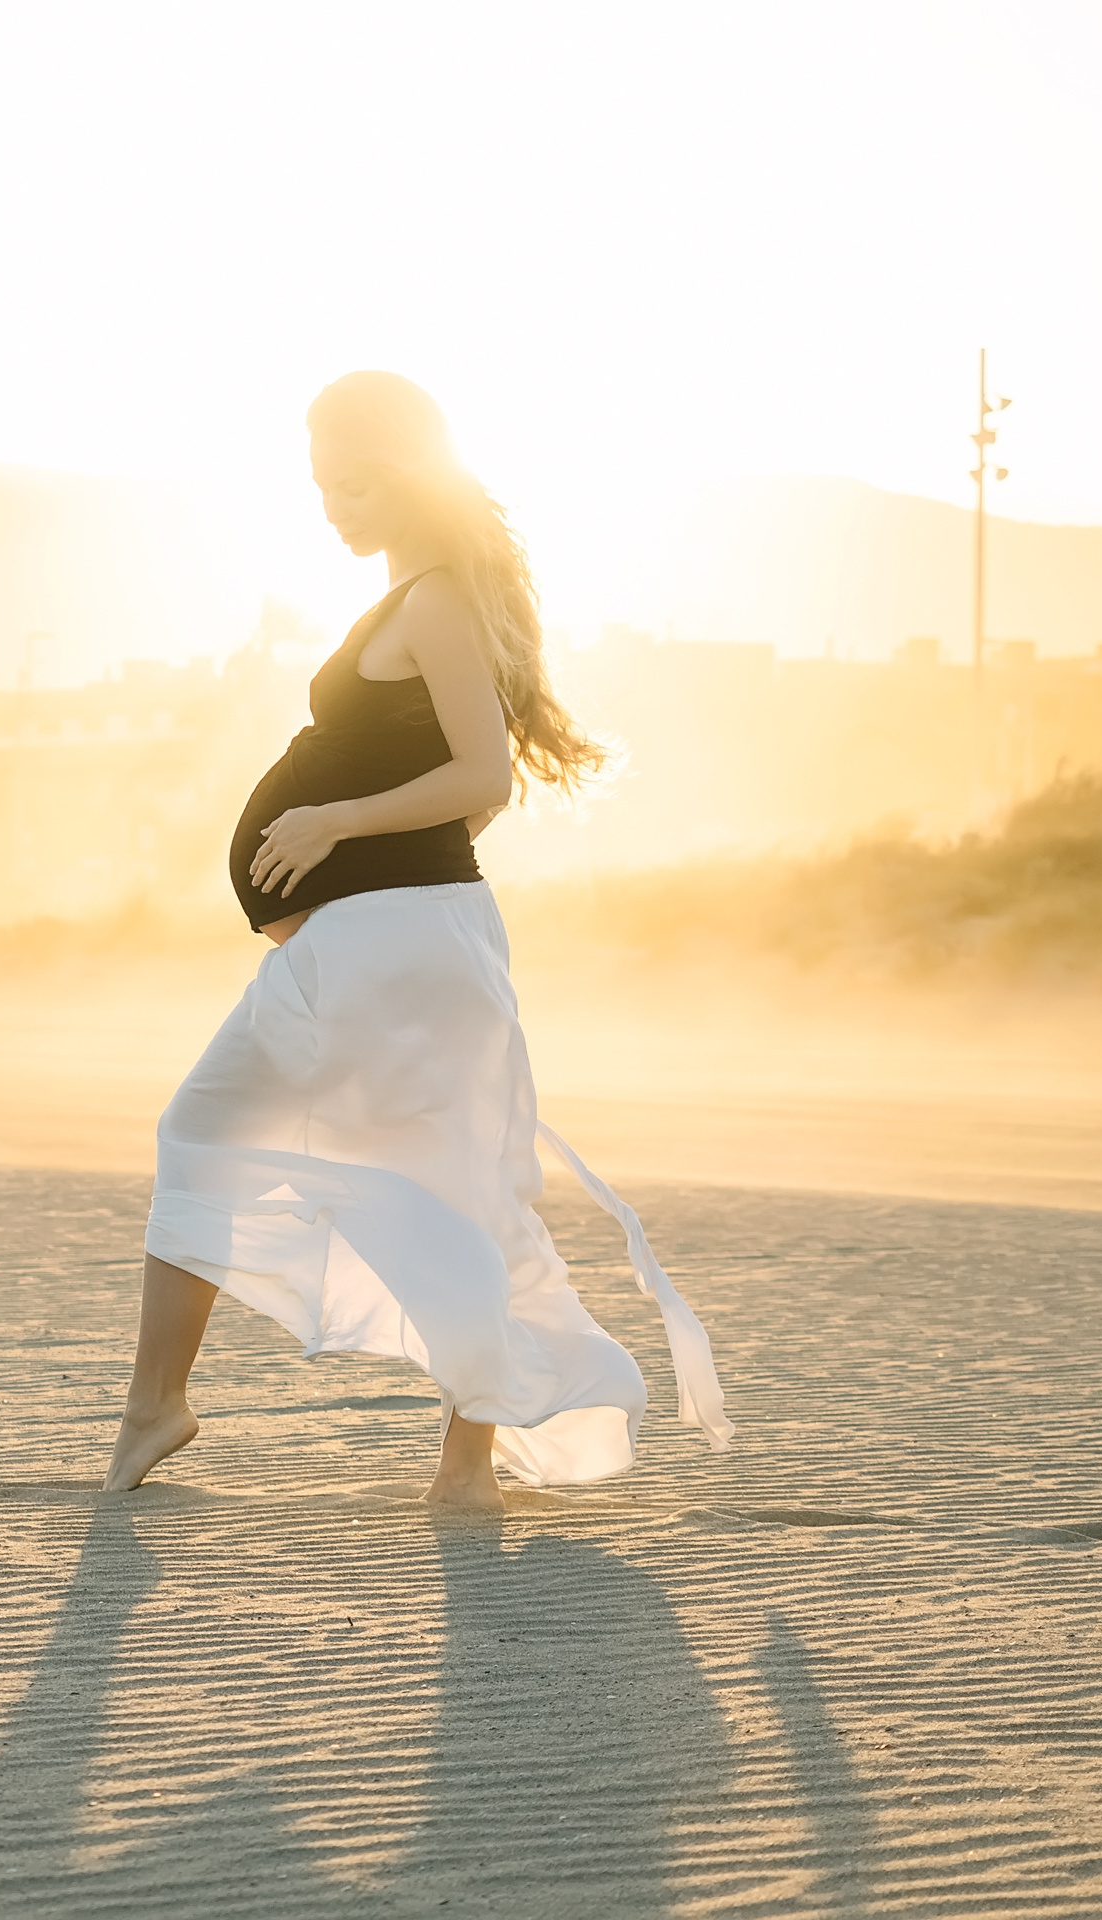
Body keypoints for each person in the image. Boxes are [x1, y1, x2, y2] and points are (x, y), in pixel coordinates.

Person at [103, 371, 732, 1509]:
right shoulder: (421, 599)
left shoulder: (434, 601)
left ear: (403, 474)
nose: (332, 506)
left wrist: (332, 820)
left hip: (388, 941)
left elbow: (481, 781)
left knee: (199, 1131)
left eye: (351, 483)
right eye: (317, 487)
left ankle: (159, 1402)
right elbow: (472, 792)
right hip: (413, 938)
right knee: (455, 1191)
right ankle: (462, 1472)